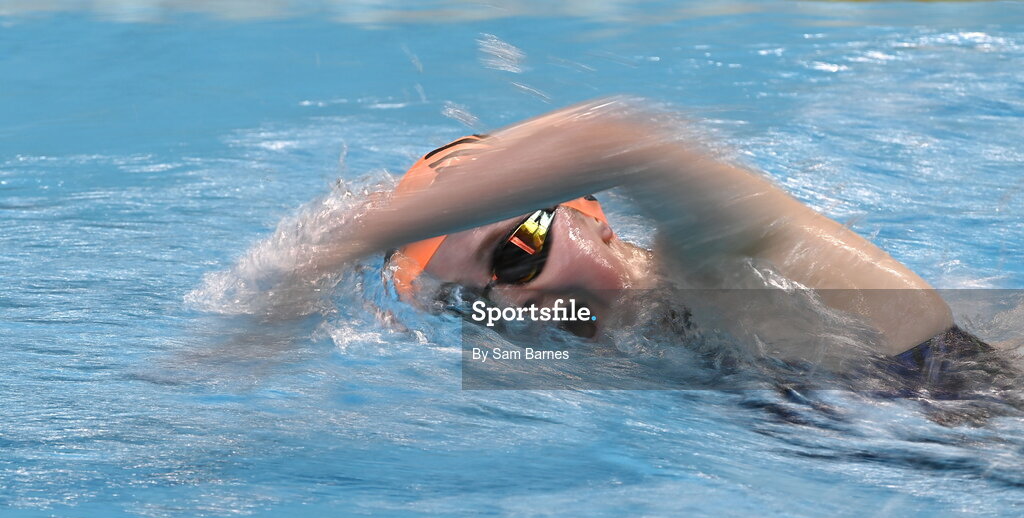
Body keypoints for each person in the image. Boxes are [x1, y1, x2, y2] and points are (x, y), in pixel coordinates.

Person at [292, 97, 994, 386]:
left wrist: (340, 244)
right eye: (466, 305)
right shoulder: (645, 358)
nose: (510, 302)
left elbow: (621, 143)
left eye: (516, 252)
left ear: (592, 212)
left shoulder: (727, 258)